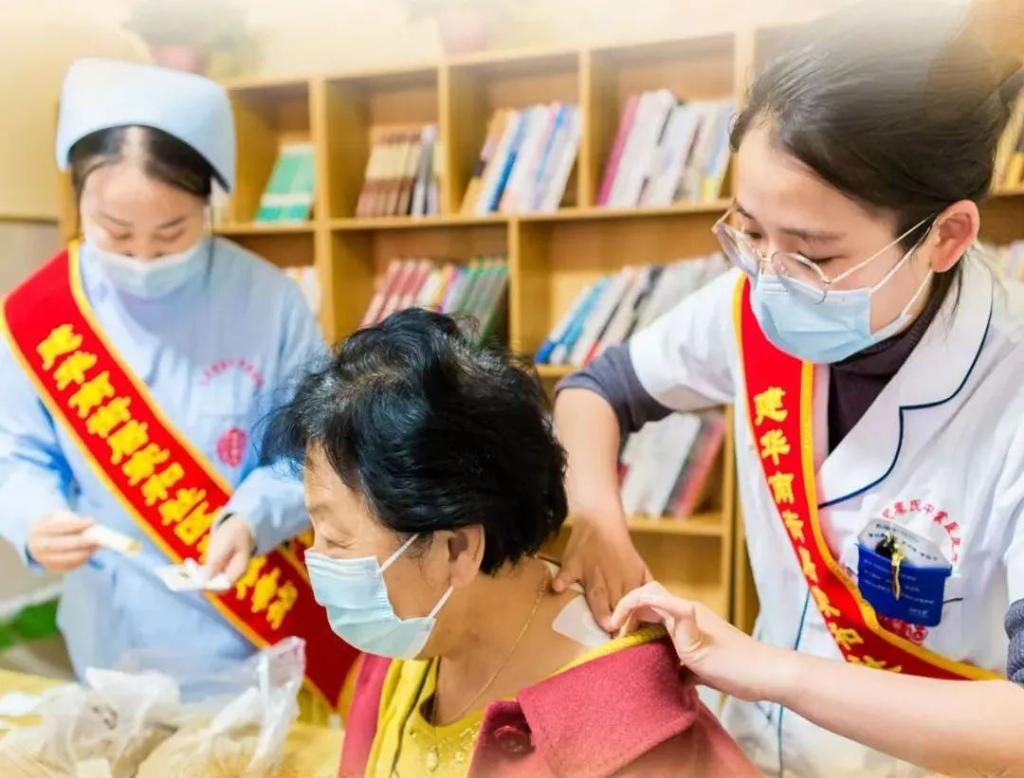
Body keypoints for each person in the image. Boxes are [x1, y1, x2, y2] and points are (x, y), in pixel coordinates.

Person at [552, 3, 1024, 775]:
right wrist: (596, 516)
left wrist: (766, 669)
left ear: (946, 236)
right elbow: (595, 391)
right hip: (755, 751)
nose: (770, 277)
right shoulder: (752, 303)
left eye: (815, 253)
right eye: (750, 231)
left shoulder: (1011, 384)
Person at [261, 308, 756, 777]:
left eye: (337, 539)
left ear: (457, 549)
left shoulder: (629, 729)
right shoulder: (406, 642)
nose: (317, 559)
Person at [0, 58, 354, 708]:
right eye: (114, 233)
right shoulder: (40, 317)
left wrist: (253, 517)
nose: (142, 257)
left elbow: (311, 450)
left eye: (171, 235)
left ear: (208, 202)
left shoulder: (269, 302)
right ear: (78, 200)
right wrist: (33, 519)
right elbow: (16, 454)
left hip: (252, 623)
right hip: (111, 626)